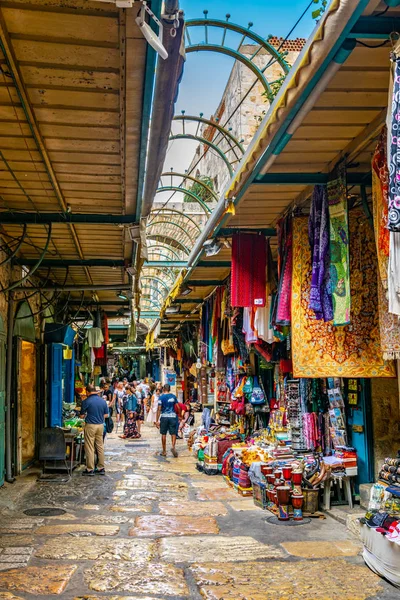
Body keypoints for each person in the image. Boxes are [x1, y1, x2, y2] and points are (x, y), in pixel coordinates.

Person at [80, 384, 109, 476]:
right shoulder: (102, 401)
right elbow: (106, 415)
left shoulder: (86, 401)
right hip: (100, 425)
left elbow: (81, 416)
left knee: (89, 447)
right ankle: (101, 467)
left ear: (87, 392)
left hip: (91, 425)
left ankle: (90, 469)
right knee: (100, 446)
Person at [156, 384, 179, 458]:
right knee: (173, 433)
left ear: (163, 389)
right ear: (169, 389)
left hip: (164, 416)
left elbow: (159, 408)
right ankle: (173, 446)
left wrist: (157, 420)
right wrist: (178, 415)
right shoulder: (173, 396)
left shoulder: (161, 397)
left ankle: (164, 451)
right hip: (172, 416)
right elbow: (178, 406)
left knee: (163, 434)